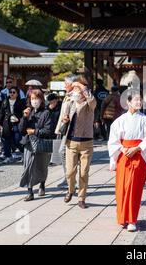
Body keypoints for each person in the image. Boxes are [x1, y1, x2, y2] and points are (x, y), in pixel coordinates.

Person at [108, 91, 146, 232]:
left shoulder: (145, 120)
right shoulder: (120, 120)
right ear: (128, 102)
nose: (138, 102)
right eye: (135, 100)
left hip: (139, 156)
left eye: (140, 100)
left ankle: (132, 220)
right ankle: (122, 217)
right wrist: (122, 149)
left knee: (134, 188)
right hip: (124, 155)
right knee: (122, 187)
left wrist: (137, 148)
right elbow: (113, 139)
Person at [62, 77, 96, 209]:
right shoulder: (70, 102)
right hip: (71, 142)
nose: (76, 91)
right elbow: (65, 116)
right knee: (70, 172)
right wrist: (65, 119)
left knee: (84, 172)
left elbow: (92, 100)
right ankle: (71, 190)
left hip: (86, 142)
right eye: (75, 88)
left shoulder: (89, 104)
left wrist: (81, 86)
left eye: (79, 89)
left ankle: (81, 198)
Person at [19, 89, 56, 201]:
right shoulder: (28, 111)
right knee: (28, 167)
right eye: (32, 99)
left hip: (42, 143)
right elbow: (21, 130)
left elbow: (48, 131)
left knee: (42, 167)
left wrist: (35, 131)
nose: (34, 101)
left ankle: (42, 184)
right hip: (29, 143)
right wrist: (25, 117)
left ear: (41, 99)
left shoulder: (46, 113)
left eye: (37, 98)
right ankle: (30, 191)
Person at [55, 74, 77, 189]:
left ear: (71, 84)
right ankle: (68, 177)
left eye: (65, 83)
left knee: (63, 151)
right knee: (64, 152)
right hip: (65, 127)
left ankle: (70, 177)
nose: (64, 85)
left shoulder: (75, 96)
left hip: (71, 129)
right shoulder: (68, 96)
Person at [0, 86, 26, 164]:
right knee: (6, 140)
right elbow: (1, 112)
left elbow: (24, 113)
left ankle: (24, 153)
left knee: (17, 140)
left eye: (14, 92)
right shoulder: (5, 101)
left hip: (17, 123)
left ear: (17, 94)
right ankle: (8, 156)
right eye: (10, 92)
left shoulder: (21, 102)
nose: (12, 94)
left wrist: (20, 119)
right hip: (6, 122)